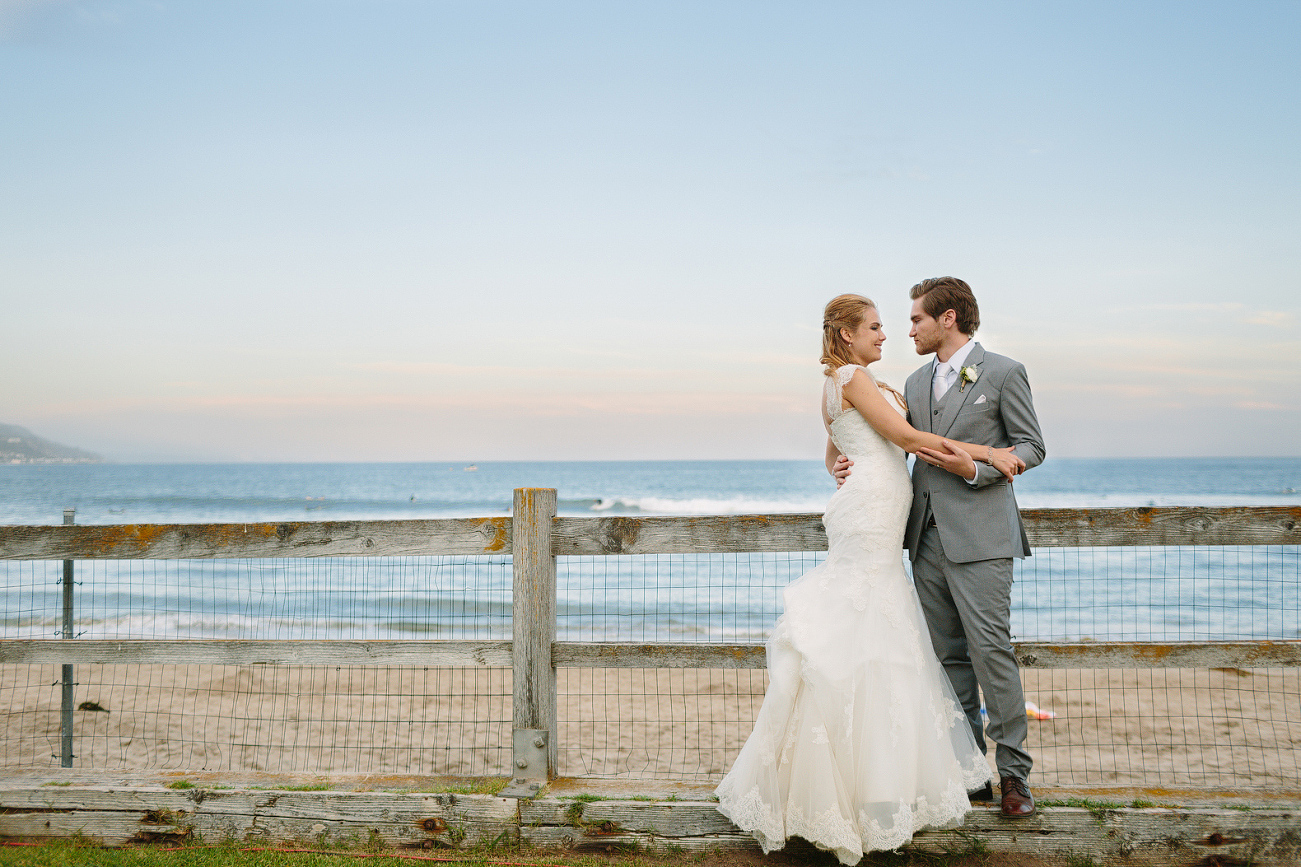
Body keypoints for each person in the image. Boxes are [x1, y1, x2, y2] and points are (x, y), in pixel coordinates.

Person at [716, 294, 1024, 864]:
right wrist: (993, 453)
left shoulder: (857, 381)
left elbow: (835, 449)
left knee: (887, 632)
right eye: (876, 327)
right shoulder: (852, 377)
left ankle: (887, 775)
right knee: (866, 628)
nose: (887, 335)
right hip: (873, 516)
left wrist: (838, 464)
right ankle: (856, 784)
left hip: (882, 512)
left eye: (893, 325)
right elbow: (907, 442)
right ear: (847, 335)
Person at [833, 277, 1045, 819]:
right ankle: (969, 772)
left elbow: (1029, 448)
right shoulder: (912, 381)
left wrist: (976, 467)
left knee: (991, 653)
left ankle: (1014, 776)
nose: (909, 331)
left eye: (917, 321)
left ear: (947, 318)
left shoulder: (1003, 371)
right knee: (946, 659)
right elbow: (893, 444)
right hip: (922, 537)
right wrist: (842, 465)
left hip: (981, 536)